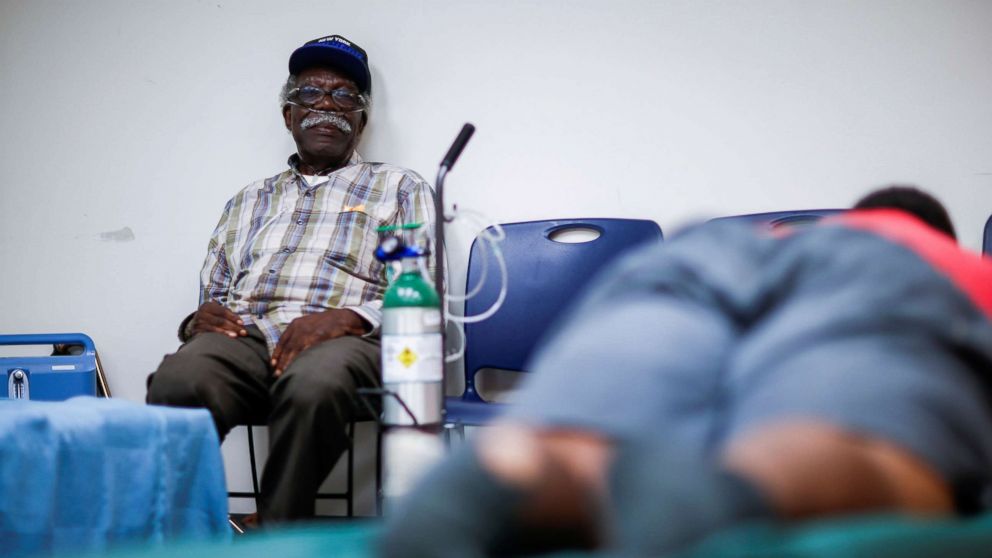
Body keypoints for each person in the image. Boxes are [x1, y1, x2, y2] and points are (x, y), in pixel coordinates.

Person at [380, 186, 992, 557]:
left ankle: (526, 466)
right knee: (848, 438)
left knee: (585, 436)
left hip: (699, 254)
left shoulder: (782, 244)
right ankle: (739, 491)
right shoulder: (948, 268)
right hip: (875, 285)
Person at [146, 35, 437, 524]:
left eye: (345, 95)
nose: (326, 104)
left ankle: (279, 532)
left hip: (349, 340)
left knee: (315, 383)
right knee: (180, 378)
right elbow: (214, 290)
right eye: (309, 93)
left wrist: (343, 319)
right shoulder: (248, 199)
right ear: (288, 115)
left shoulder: (399, 188)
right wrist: (198, 318)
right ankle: (186, 529)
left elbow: (417, 288)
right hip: (248, 335)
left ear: (362, 121)